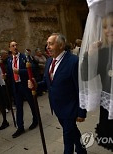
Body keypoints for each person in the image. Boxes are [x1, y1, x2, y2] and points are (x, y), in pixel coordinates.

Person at [28, 33, 87, 154]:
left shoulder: (74, 62)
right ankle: (81, 149)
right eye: (47, 44)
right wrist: (36, 84)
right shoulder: (50, 61)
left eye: (51, 43)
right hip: (57, 107)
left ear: (61, 45)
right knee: (71, 131)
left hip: (70, 108)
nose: (47, 47)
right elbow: (48, 82)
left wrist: (82, 112)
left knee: (68, 139)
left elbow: (81, 88)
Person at [80, 5, 113, 151]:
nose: (108, 30)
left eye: (112, 25)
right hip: (110, 112)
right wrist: (89, 55)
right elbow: (85, 76)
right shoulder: (102, 52)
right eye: (105, 27)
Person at [7, 41, 38, 138]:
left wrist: (19, 71)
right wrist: (5, 76)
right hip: (16, 86)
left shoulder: (24, 57)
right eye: (13, 46)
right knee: (19, 107)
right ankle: (20, 127)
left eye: (16, 45)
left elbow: (32, 68)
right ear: (10, 49)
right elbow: (9, 73)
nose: (15, 47)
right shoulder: (9, 60)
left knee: (31, 103)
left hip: (25, 84)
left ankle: (36, 120)